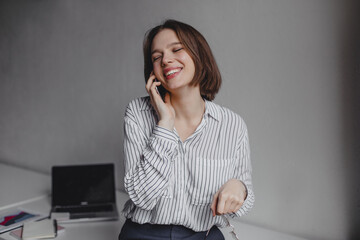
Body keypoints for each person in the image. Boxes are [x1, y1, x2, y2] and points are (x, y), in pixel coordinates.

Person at [119, 19, 255, 240]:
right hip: (144, 235)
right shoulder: (137, 114)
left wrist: (239, 188)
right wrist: (165, 124)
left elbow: (244, 200)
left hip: (204, 235)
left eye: (176, 49)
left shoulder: (232, 124)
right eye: (156, 57)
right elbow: (142, 197)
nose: (166, 60)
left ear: (198, 55)